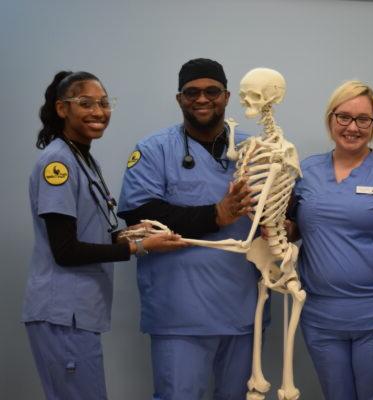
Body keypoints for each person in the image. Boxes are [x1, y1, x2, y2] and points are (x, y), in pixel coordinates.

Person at [22, 71, 187, 400]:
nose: (98, 111)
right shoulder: (59, 164)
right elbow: (65, 250)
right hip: (62, 312)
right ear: (61, 108)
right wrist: (139, 246)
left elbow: (89, 233)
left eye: (103, 103)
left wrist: (130, 233)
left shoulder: (84, 159)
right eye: (85, 103)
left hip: (77, 313)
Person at [117, 58, 259, 400]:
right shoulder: (153, 150)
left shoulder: (253, 149)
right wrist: (215, 215)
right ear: (179, 99)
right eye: (191, 92)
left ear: (226, 97)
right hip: (180, 311)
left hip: (241, 308)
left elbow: (285, 205)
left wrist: (285, 221)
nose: (202, 99)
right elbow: (141, 212)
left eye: (212, 91)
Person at [289, 80, 373, 400]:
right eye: (344, 117)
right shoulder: (305, 172)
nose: (352, 127)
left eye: (363, 119)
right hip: (320, 316)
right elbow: (298, 229)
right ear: (330, 119)